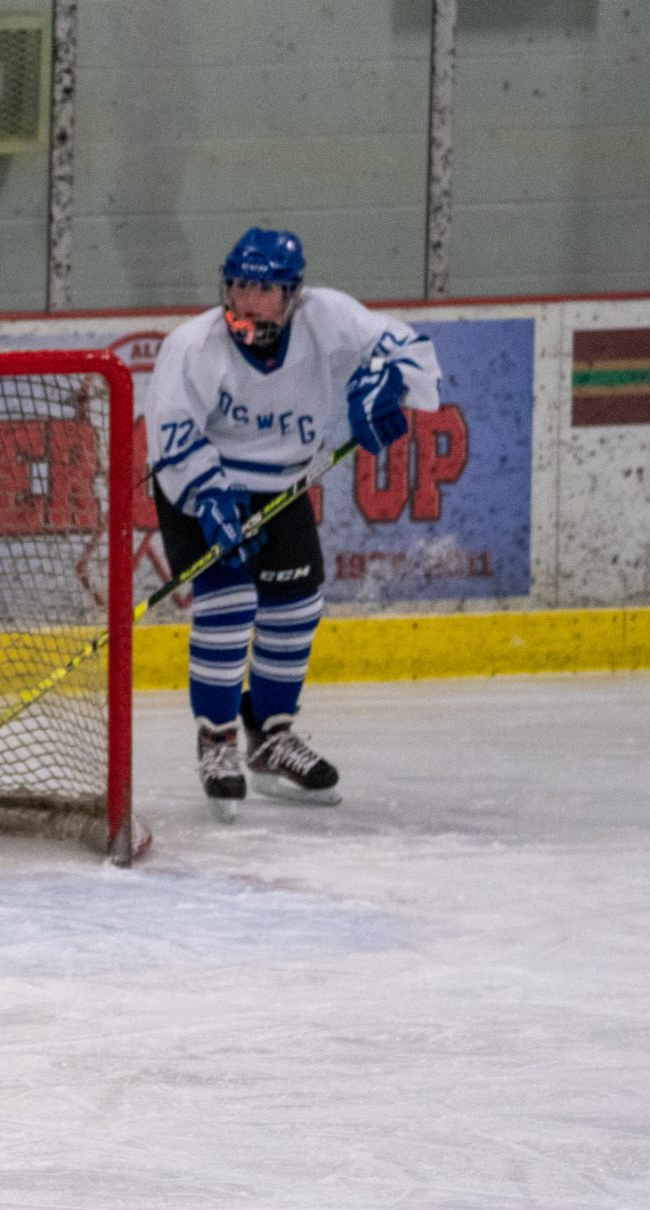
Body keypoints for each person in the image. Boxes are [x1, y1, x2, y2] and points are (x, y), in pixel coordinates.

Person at [147, 227, 441, 821]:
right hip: (202, 489)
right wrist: (211, 499)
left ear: (292, 293)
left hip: (282, 490)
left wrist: (390, 384)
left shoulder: (325, 316)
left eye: (265, 289)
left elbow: (411, 347)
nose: (249, 300)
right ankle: (217, 742)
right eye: (240, 286)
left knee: (295, 607)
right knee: (227, 605)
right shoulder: (193, 345)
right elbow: (173, 434)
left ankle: (271, 737)